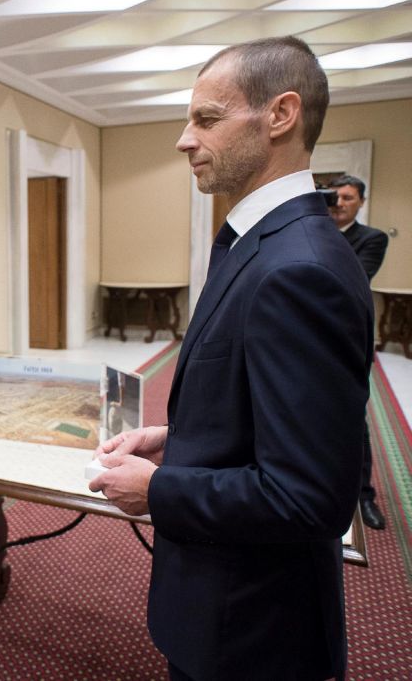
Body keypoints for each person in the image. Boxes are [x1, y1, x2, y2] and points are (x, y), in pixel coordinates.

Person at [89, 37, 374, 681]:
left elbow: (309, 498)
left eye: (207, 119)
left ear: (281, 115)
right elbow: (261, 409)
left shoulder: (299, 268)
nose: (184, 139)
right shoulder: (262, 242)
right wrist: (176, 437)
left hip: (254, 632)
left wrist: (159, 489)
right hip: (224, 611)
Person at [328, 174, 389, 530]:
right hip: (303, 336)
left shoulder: (372, 239)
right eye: (335, 197)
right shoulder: (310, 229)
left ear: (360, 202)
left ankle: (363, 496)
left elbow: (352, 279)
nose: (340, 203)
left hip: (348, 338)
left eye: (348, 197)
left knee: (352, 417)